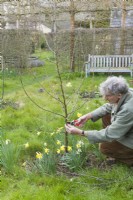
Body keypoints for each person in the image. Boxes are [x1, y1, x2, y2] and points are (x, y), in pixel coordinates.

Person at [65, 76, 133, 166]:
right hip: (126, 125)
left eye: (108, 95)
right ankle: (116, 142)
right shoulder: (127, 92)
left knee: (104, 148)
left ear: (119, 94)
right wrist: (88, 116)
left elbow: (109, 134)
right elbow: (108, 107)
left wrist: (81, 132)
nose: (105, 98)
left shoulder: (128, 109)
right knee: (106, 115)